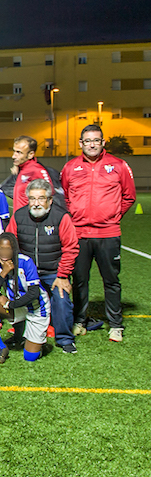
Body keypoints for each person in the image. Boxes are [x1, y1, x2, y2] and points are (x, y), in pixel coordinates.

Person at [62, 124, 136, 342]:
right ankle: (80, 321)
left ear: (103, 142)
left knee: (111, 280)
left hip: (108, 234)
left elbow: (129, 196)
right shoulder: (70, 167)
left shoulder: (119, 165)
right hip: (80, 235)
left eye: (96, 140)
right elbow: (66, 197)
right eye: (87, 141)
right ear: (80, 143)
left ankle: (115, 325)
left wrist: (111, 218)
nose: (92, 144)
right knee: (80, 279)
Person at [6, 179, 80, 354]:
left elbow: (71, 248)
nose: (36, 203)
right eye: (32, 198)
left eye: (41, 198)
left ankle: (64, 339)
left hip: (54, 271)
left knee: (61, 298)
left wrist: (63, 276)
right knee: (16, 295)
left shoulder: (61, 217)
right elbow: (9, 242)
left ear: (50, 200)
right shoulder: (19, 216)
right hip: (27, 272)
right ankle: (20, 335)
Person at [0, 233, 52, 364]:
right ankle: (0, 347)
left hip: (36, 309)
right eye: (1, 249)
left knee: (30, 357)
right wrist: (4, 272)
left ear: (14, 249)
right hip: (17, 305)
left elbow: (34, 293)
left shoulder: (26, 262)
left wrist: (11, 305)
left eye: (8, 249)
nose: (4, 253)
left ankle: (39, 344)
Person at [0, 135, 64, 213]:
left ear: (30, 154)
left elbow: (51, 197)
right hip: (19, 220)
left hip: (30, 221)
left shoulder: (37, 170)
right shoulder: (23, 169)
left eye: (19, 152)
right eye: (14, 151)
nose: (13, 156)